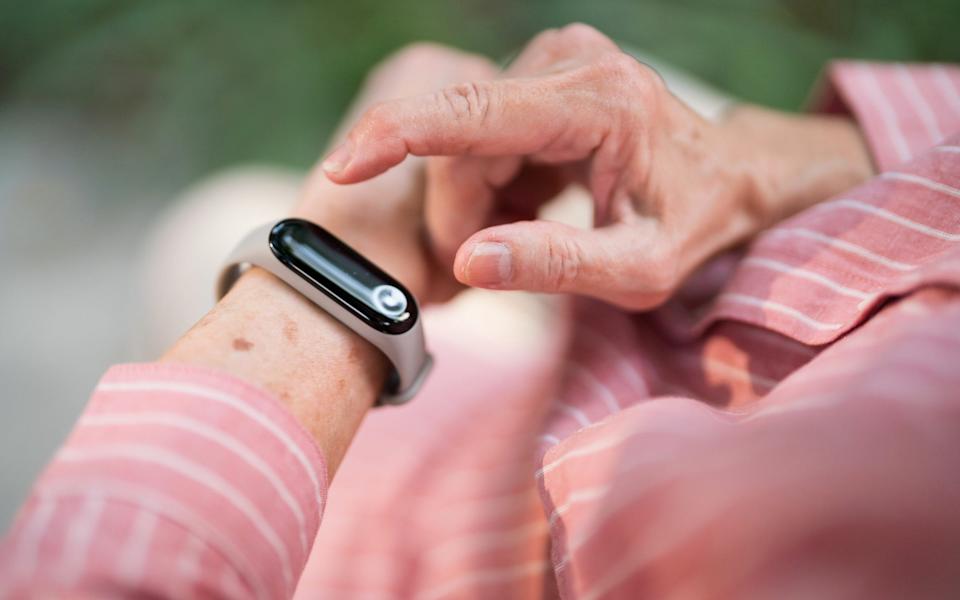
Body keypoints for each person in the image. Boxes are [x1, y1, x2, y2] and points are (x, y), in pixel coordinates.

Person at [3, 23, 960, 599]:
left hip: (477, 510)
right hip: (733, 262)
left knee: (204, 228)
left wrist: (332, 275)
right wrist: (769, 162)